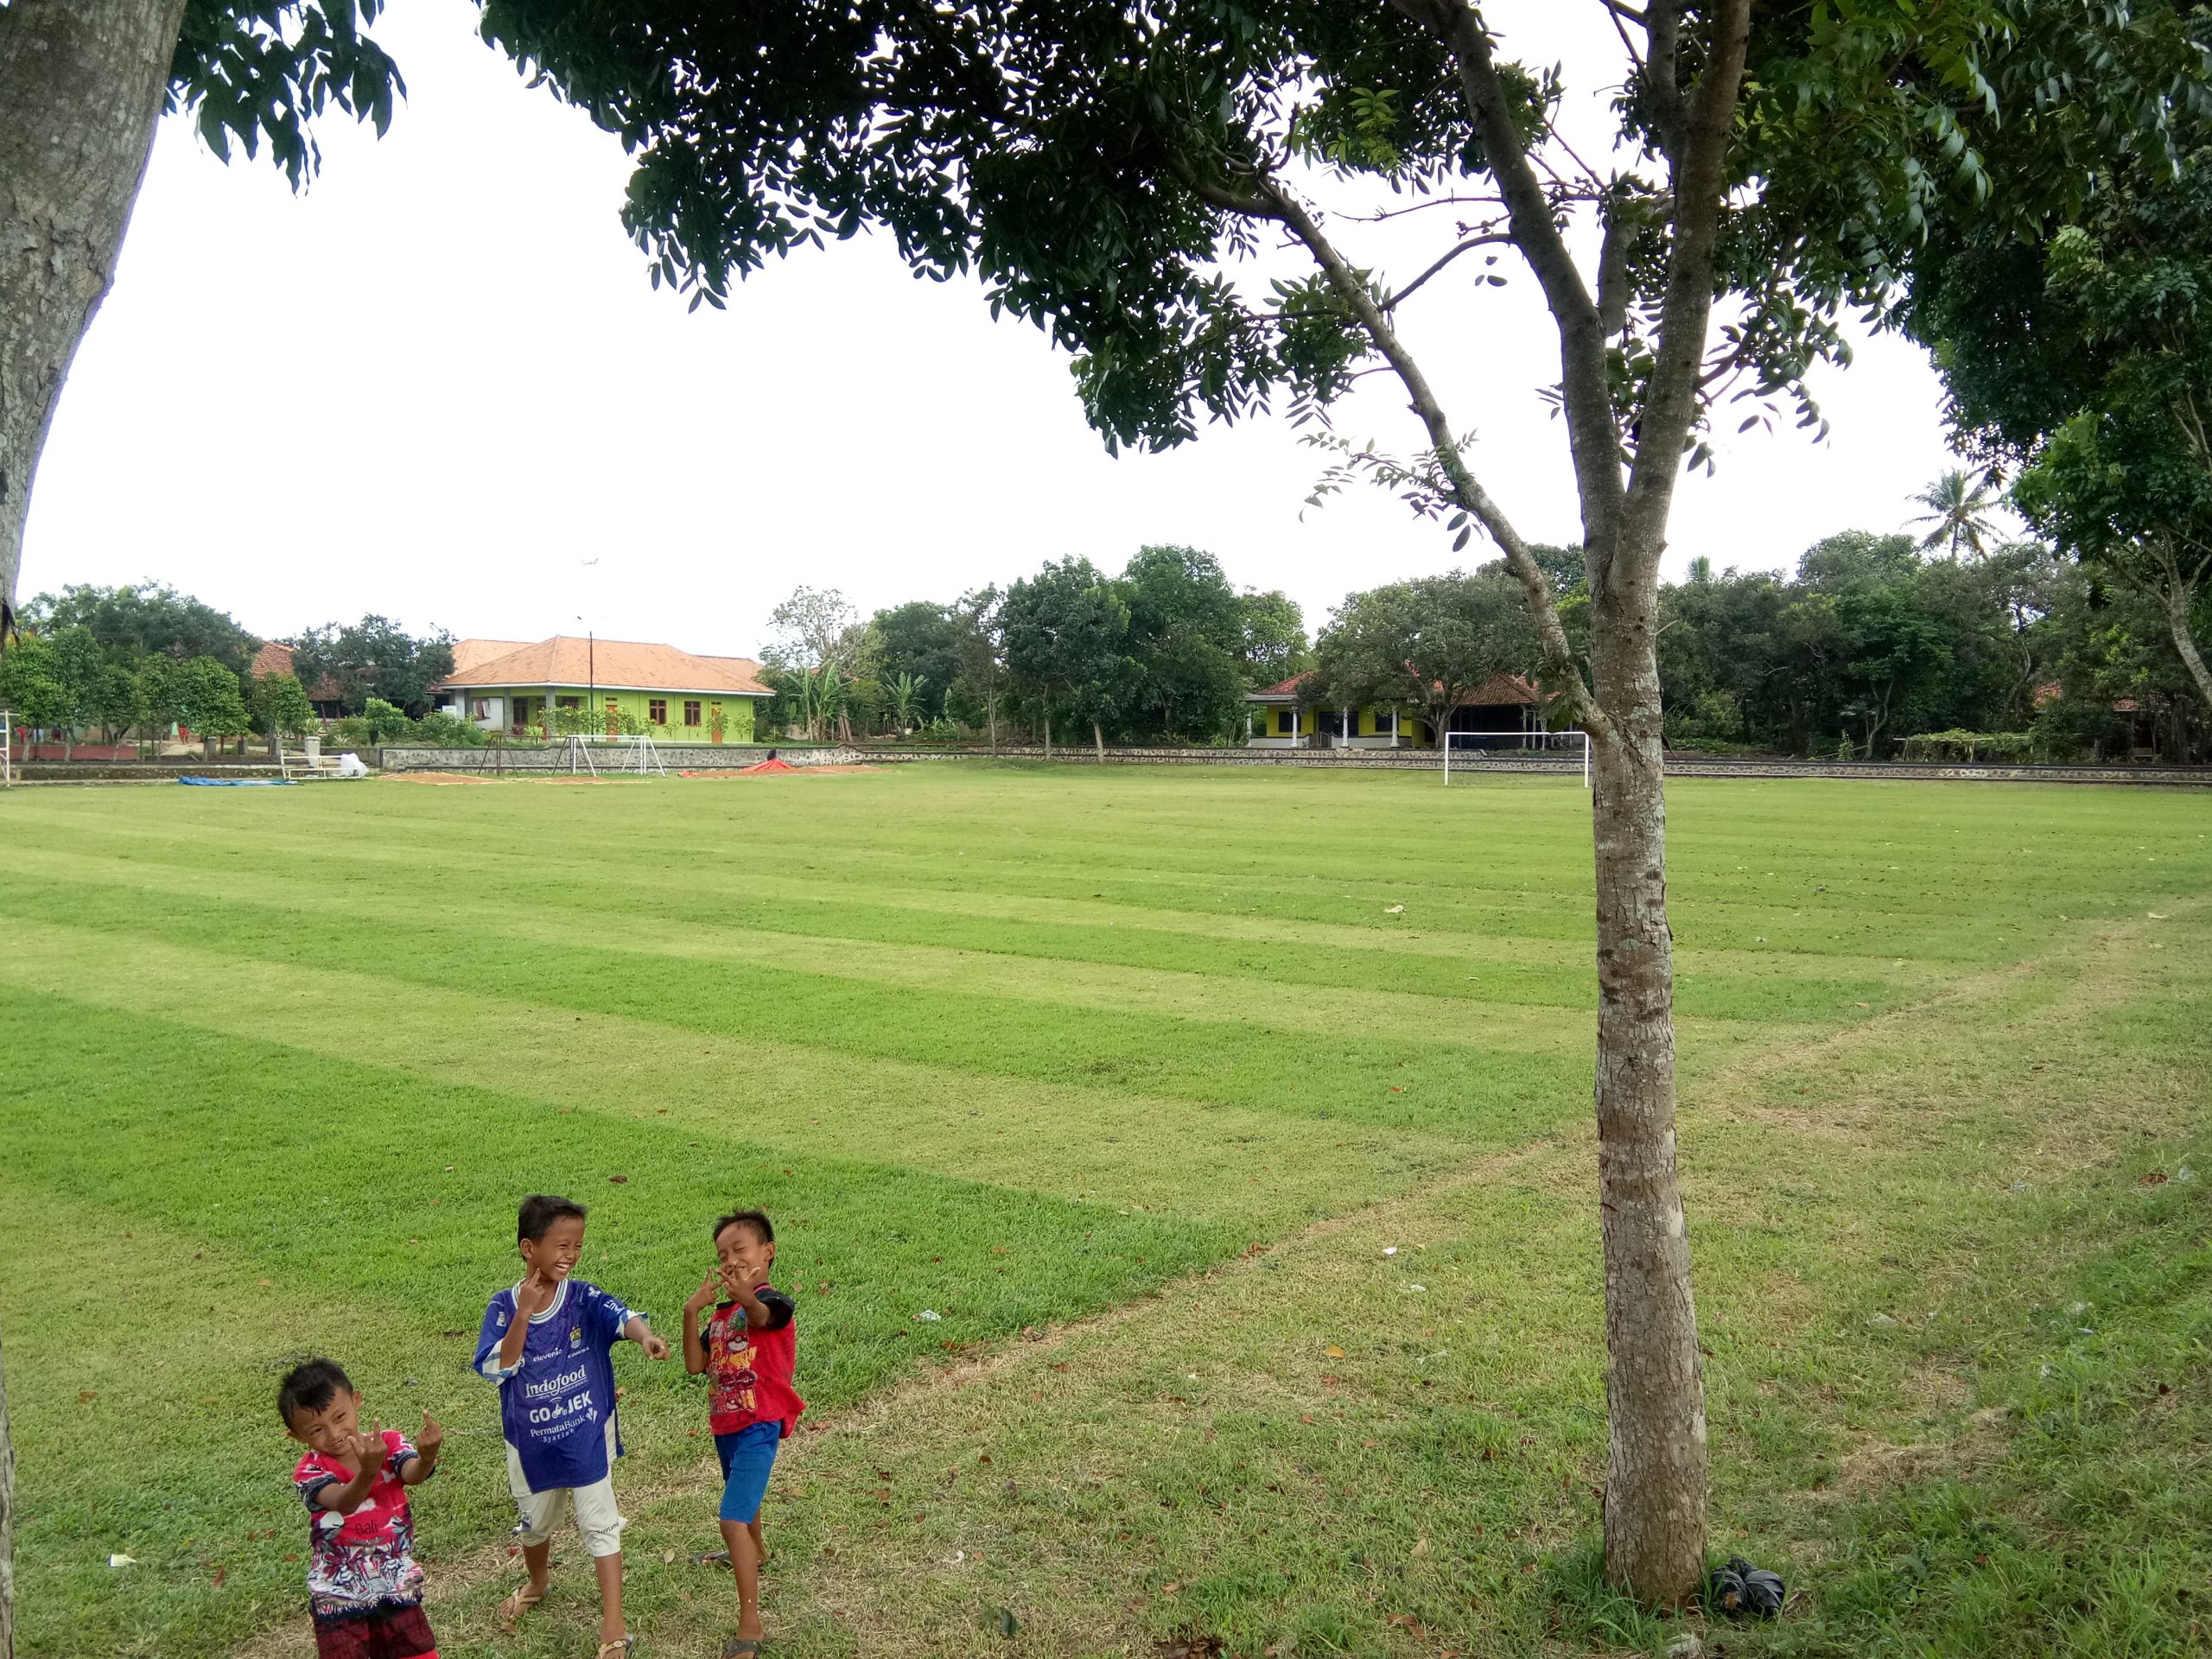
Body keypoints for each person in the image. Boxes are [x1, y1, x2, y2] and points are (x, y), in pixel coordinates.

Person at [474, 1193, 671, 1659]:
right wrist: (523, 1312)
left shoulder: (582, 1297)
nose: (571, 1255)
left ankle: (614, 1625)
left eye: (578, 1246)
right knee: (536, 1525)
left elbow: (622, 1316)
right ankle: (538, 1580)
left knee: (600, 1524)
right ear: (528, 1248)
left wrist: (645, 1338)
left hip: (584, 1436)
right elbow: (497, 1367)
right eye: (562, 1245)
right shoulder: (503, 1306)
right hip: (532, 1445)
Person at [681, 1208, 804, 1659]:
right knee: (742, 1499)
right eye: (722, 1255)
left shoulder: (773, 1302)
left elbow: (761, 1317)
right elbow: (696, 1365)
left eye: (741, 1250)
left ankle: (751, 1625)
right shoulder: (720, 1314)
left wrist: (747, 1296)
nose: (730, 1260)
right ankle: (757, 1551)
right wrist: (692, 1311)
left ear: (767, 1253)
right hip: (726, 1426)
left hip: (760, 1424)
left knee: (731, 1516)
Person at [278, 1357, 443, 1659]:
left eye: (339, 1417)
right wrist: (368, 1471)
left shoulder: (388, 1443)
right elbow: (343, 1502)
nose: (334, 1433)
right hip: (339, 1595)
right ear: (296, 1435)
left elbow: (412, 1474)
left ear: (356, 1401)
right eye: (316, 1430)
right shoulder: (309, 1471)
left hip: (395, 1583)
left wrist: (428, 1456)